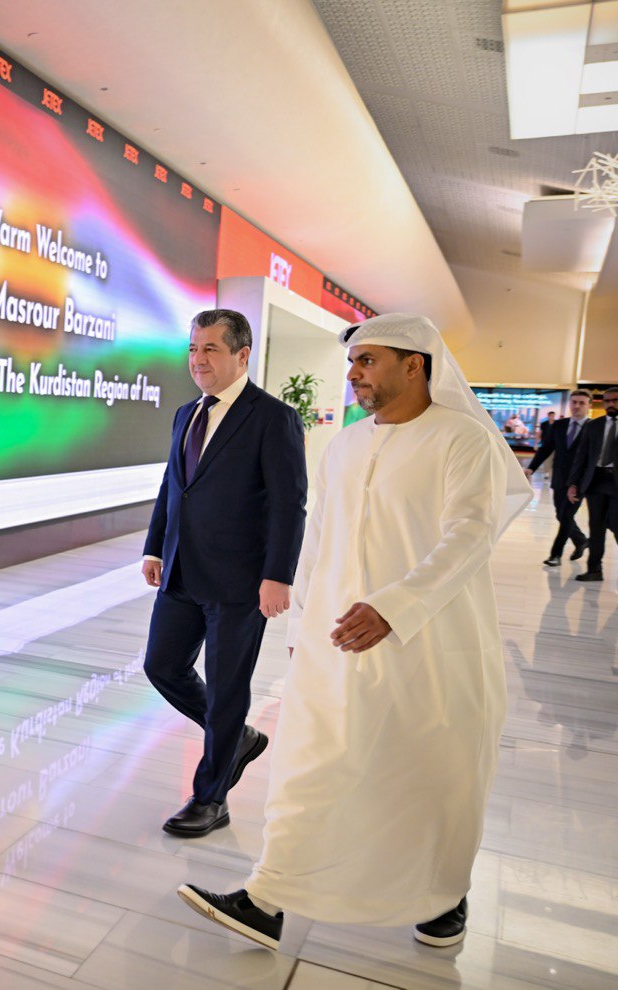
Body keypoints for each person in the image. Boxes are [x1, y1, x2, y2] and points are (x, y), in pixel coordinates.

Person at [176, 313, 531, 950]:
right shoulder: (345, 444)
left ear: (415, 364)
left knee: (429, 770)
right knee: (308, 764)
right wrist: (304, 620)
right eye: (352, 362)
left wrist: (394, 607)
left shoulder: (463, 440)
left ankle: (442, 896)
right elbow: (319, 538)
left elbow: (470, 536)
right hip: (333, 640)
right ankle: (268, 897)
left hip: (428, 643)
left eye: (367, 361)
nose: (353, 374)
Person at [140, 309, 306, 838]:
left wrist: (278, 575)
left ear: (241, 354)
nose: (198, 359)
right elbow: (173, 486)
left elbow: (288, 503)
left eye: (210, 348)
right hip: (181, 571)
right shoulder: (186, 413)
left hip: (240, 582)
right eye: (193, 348)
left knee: (229, 688)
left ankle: (211, 798)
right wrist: (154, 546)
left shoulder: (273, 417)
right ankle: (237, 739)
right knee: (162, 666)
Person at [524, 392, 590, 566]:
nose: (577, 406)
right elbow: (546, 448)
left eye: (581, 403)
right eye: (574, 402)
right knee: (561, 515)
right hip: (559, 478)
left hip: (579, 481)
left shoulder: (592, 427)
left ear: (589, 405)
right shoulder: (559, 425)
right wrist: (531, 468)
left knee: (566, 515)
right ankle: (581, 540)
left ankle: (556, 555)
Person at [567, 387, 618, 582]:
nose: (610, 404)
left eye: (615, 400)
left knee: (615, 523)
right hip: (596, 481)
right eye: (607, 401)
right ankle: (594, 570)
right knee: (596, 527)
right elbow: (581, 457)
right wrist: (573, 483)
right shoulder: (594, 426)